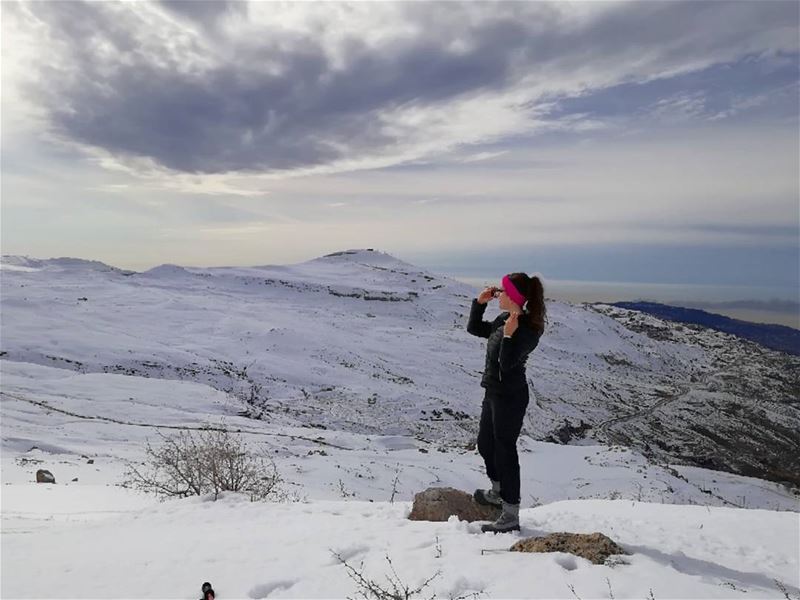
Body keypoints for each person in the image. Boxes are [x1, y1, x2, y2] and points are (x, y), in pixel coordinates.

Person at [466, 272, 546, 533]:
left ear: (514, 296)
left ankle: (511, 512)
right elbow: (475, 329)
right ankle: (498, 491)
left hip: (510, 397)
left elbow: (507, 364)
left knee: (505, 451)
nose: (498, 293)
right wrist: (479, 304)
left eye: (503, 290)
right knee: (485, 444)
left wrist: (510, 337)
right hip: (493, 392)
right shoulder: (503, 319)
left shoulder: (528, 329)